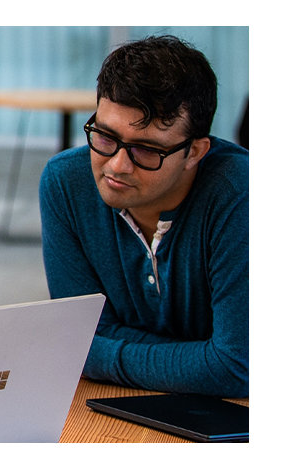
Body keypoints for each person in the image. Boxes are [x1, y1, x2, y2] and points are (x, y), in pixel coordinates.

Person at [39, 35, 248, 397]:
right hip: (127, 404)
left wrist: (99, 355)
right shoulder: (65, 184)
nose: (117, 166)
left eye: (146, 150)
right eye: (105, 137)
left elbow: (237, 366)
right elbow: (76, 339)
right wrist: (196, 359)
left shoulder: (241, 195)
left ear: (195, 152)